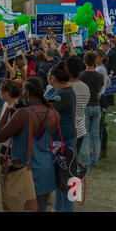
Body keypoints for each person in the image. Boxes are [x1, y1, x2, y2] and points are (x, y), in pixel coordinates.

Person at [0, 77, 58, 212]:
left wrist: (7, 110)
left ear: (27, 93)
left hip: (24, 170)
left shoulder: (22, 114)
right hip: (46, 168)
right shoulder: (53, 114)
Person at [45, 62, 77, 212]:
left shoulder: (64, 94)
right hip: (57, 140)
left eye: (49, 75)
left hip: (65, 141)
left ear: (53, 78)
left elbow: (44, 108)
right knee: (59, 181)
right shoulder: (55, 91)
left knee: (67, 183)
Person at [79, 52, 104, 167]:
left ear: (84, 61)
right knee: (95, 134)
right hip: (96, 105)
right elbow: (100, 90)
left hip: (86, 106)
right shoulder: (99, 76)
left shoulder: (82, 76)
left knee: (85, 134)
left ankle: (87, 161)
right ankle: (95, 160)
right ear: (94, 62)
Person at [65, 57, 90, 154]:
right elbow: (85, 103)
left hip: (67, 130)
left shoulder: (62, 87)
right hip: (80, 129)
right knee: (73, 160)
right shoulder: (85, 87)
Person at [94, 49, 111, 159]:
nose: (94, 59)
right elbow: (108, 83)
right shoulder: (102, 69)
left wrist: (100, 91)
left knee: (99, 126)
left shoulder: (99, 69)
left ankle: (101, 150)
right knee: (100, 125)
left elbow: (103, 84)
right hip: (102, 97)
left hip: (99, 98)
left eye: (95, 57)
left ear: (101, 57)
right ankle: (102, 149)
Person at [0, 79, 22, 154]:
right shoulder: (5, 104)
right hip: (5, 144)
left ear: (7, 92)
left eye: (1, 90)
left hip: (13, 147)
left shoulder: (18, 106)